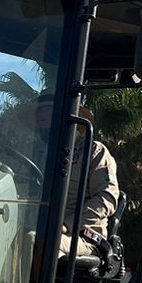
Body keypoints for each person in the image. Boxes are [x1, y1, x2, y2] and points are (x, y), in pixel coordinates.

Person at [39, 95, 119, 258]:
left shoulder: (94, 151)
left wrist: (67, 224)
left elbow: (107, 198)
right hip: (42, 227)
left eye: (49, 117)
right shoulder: (41, 155)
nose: (44, 123)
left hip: (82, 236)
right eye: (41, 119)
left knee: (37, 241)